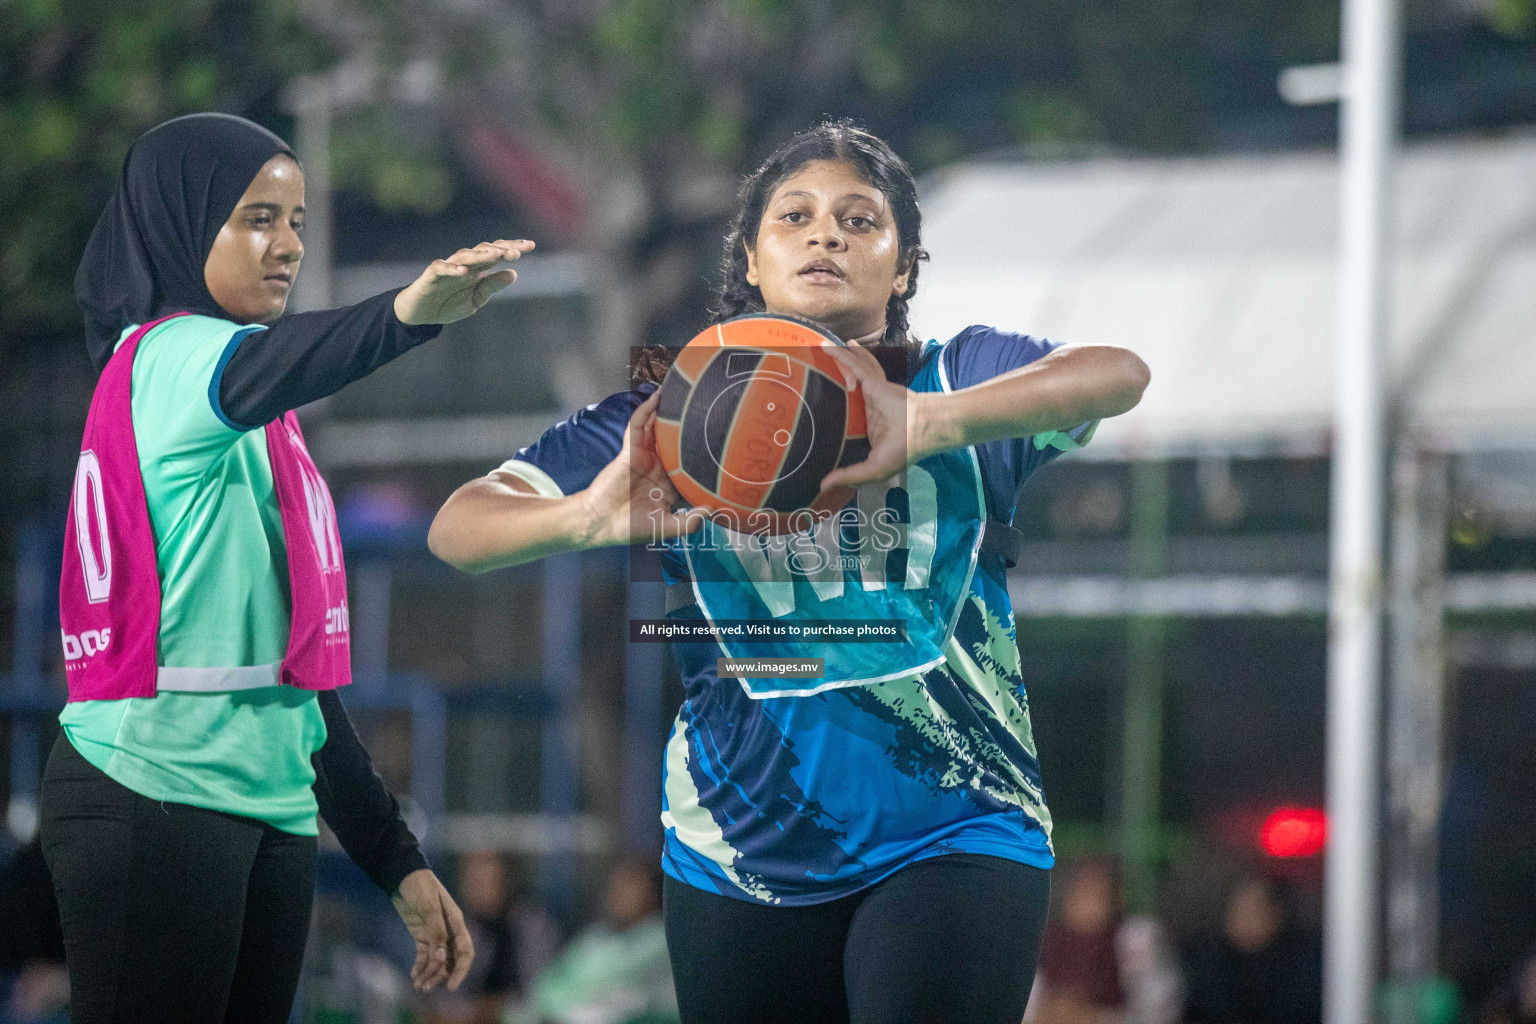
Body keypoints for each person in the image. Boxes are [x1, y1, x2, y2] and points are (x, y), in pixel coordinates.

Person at [428, 119, 1150, 1024]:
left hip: (957, 829)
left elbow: (1116, 373)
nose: (825, 235)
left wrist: (928, 426)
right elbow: (457, 528)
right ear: (753, 259)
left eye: (860, 220)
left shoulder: (957, 377)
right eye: (795, 217)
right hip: (738, 851)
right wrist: (585, 516)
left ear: (904, 267)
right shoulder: (667, 415)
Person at [41, 112, 532, 1023]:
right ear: (186, 226)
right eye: (257, 217)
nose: (287, 246)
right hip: (153, 791)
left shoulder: (260, 420)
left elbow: (297, 679)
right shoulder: (166, 359)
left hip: (269, 808)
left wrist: (394, 857)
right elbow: (294, 358)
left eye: (298, 221)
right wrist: (403, 314)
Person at [1181, 870, 1322, 1024]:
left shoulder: (1301, 969)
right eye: (1237, 908)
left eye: (1252, 910)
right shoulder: (1209, 963)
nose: (1241, 919)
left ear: (1276, 915)